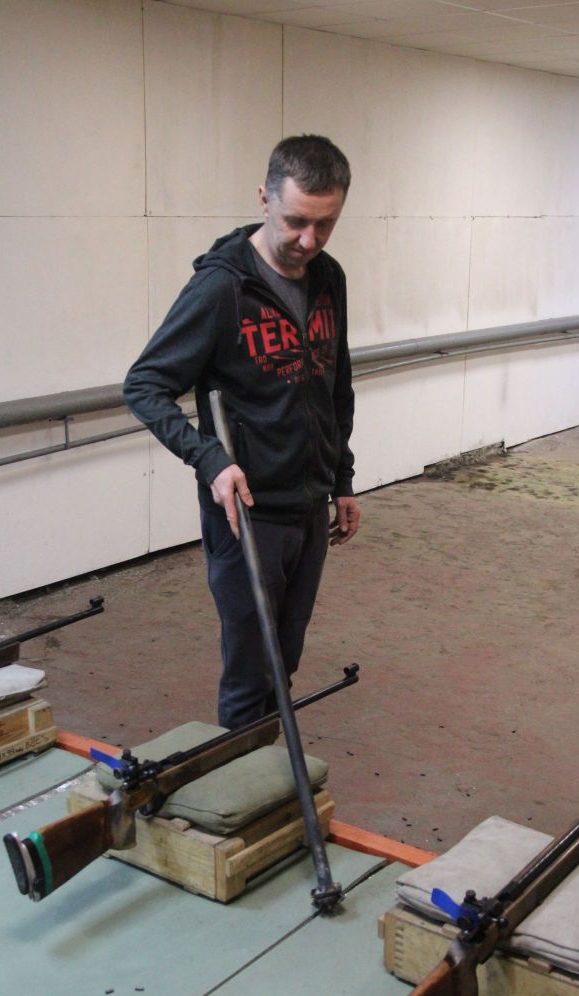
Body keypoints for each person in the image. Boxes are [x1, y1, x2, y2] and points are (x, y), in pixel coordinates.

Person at [124, 134, 360, 729]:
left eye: (326, 224)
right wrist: (210, 459)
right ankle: (238, 775)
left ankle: (267, 769)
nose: (309, 240)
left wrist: (342, 479)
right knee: (251, 669)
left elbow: (335, 385)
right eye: (297, 221)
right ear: (264, 198)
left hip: (310, 504)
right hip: (247, 513)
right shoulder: (221, 287)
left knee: (284, 661)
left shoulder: (328, 277)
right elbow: (145, 385)